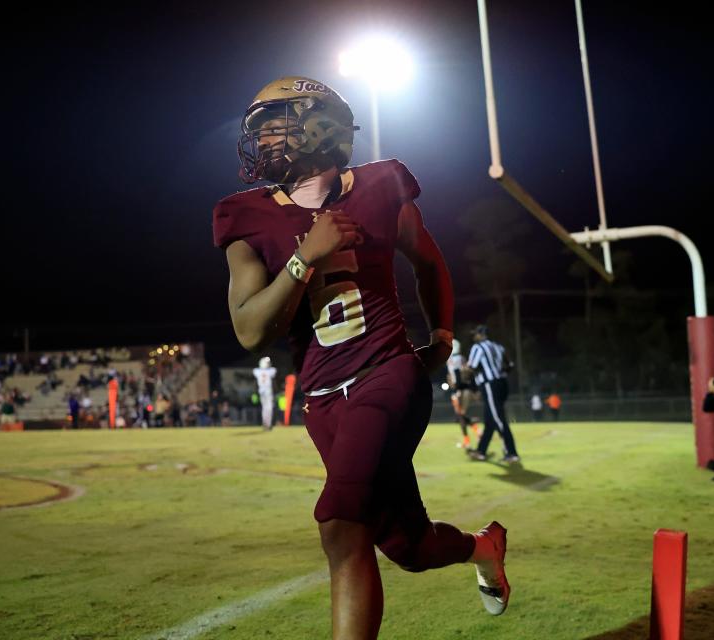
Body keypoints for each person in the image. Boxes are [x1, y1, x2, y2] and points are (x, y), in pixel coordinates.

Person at [213, 76, 510, 640]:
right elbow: (251, 331)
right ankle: (483, 547)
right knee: (409, 546)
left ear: (319, 124)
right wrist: (303, 260)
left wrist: (442, 338)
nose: (264, 140)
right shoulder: (243, 214)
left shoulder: (380, 185)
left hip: (386, 374)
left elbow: (429, 263)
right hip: (322, 403)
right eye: (259, 129)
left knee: (340, 523)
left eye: (276, 124)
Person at [466, 325, 520, 463]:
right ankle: (481, 451)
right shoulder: (498, 346)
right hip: (501, 383)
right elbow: (510, 365)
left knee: (497, 418)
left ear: (481, 334)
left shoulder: (478, 347)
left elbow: (471, 368)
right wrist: (499, 374)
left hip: (490, 384)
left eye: (476, 334)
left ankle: (511, 452)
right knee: (490, 419)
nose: (474, 336)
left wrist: (464, 373)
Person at [446, 339, 479, 449]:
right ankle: (476, 431)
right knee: (461, 416)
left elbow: (457, 374)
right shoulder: (461, 358)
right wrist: (474, 390)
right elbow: (469, 374)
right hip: (465, 389)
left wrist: (457, 390)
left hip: (459, 390)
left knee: (460, 417)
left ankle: (468, 441)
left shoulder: (453, 359)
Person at [253, 356, 277, 429]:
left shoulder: (257, 371)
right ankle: (268, 424)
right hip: (268, 391)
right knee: (269, 407)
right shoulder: (271, 371)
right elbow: (273, 371)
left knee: (264, 408)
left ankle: (265, 423)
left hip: (261, 391)